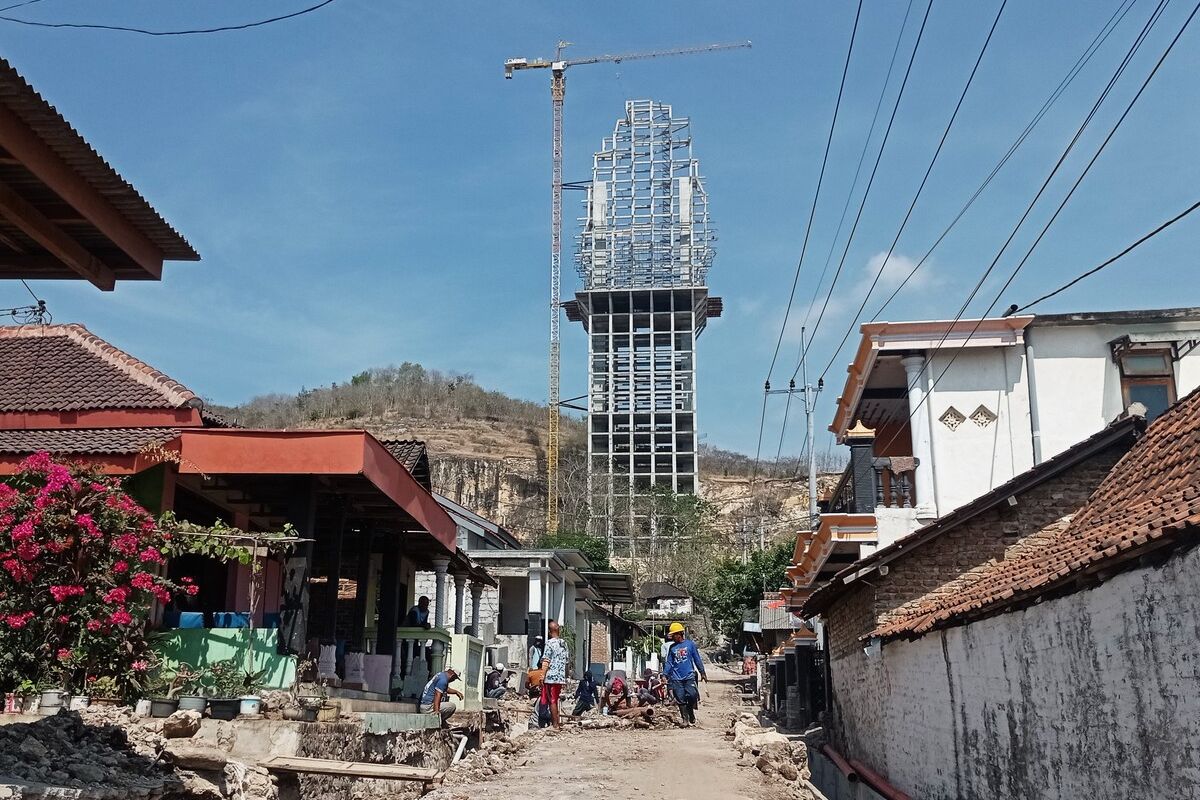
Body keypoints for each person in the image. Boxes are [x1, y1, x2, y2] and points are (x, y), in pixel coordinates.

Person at [662, 622, 706, 726]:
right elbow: (669, 663)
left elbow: (697, 659)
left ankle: (690, 711)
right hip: (676, 677)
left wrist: (702, 672)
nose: (672, 637)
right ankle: (685, 720)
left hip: (689, 675)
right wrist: (664, 674)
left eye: (674, 635)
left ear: (680, 634)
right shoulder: (672, 648)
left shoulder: (690, 645)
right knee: (680, 698)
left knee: (692, 695)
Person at [539, 620, 569, 730]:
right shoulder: (564, 643)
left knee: (552, 700)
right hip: (560, 677)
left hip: (551, 677)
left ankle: (555, 725)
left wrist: (542, 676)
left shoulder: (549, 643)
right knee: (555, 699)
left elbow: (546, 661)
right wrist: (565, 677)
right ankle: (557, 723)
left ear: (549, 632)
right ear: (558, 629)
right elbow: (566, 662)